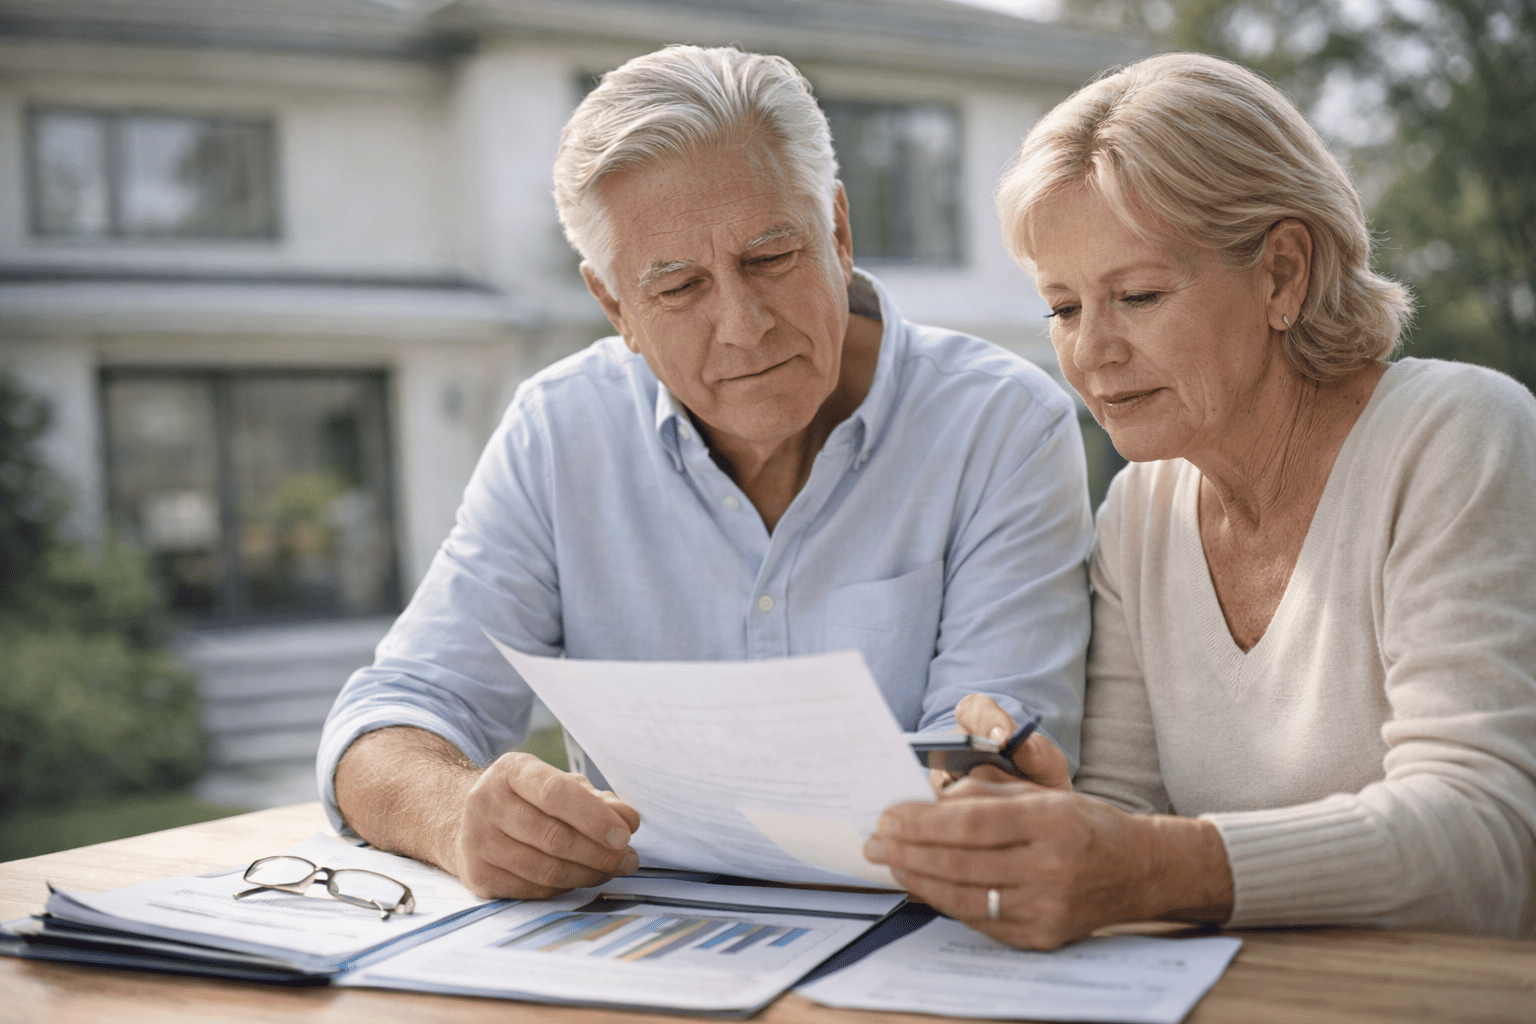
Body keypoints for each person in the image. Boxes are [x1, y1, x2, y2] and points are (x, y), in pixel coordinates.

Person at [319, 45, 1094, 900]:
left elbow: (995, 747)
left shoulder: (1003, 426)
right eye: (680, 287)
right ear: (616, 307)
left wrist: (981, 794)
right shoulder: (559, 433)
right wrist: (454, 814)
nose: (743, 325)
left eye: (770, 258)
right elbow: (392, 714)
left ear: (836, 230)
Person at [864, 51, 1536, 948]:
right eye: (1063, 308)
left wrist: (1147, 864)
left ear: (1283, 275)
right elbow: (1121, 815)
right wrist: (1028, 822)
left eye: (1136, 296)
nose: (1092, 354)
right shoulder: (1139, 511)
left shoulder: (1458, 435)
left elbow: (1486, 845)